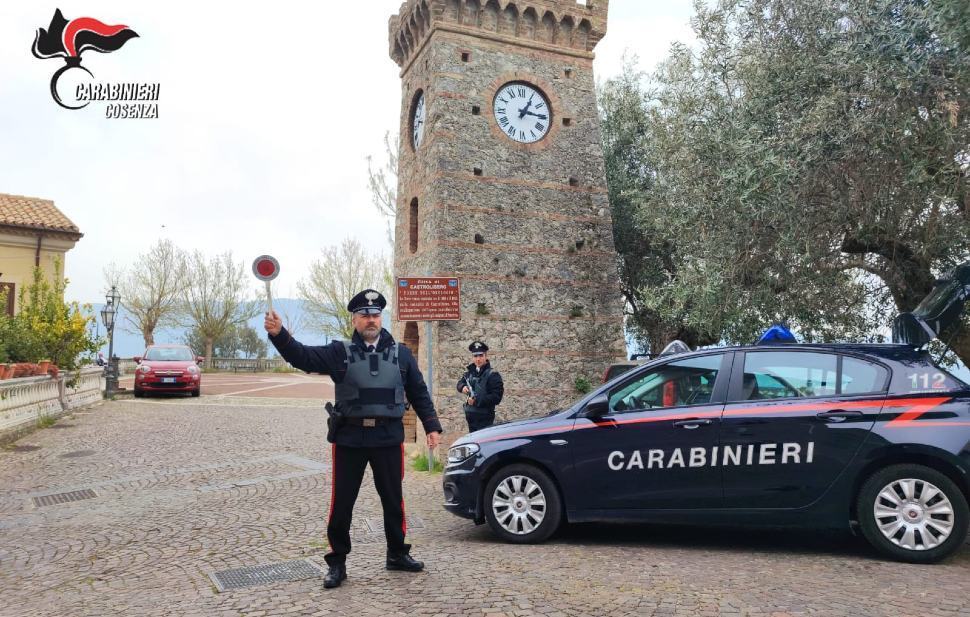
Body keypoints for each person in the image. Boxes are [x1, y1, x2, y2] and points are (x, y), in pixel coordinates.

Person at [263, 288, 442, 589]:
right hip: (350, 439)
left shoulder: (402, 354)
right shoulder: (339, 352)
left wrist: (432, 425)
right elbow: (303, 357)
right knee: (342, 504)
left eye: (375, 314)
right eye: (364, 315)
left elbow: (418, 391)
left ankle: (397, 554)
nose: (371, 319)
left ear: (380, 317)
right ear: (355, 319)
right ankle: (337, 562)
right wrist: (280, 335)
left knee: (393, 501)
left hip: (387, 438)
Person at [457, 341, 504, 432]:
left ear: (486, 356)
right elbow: (459, 383)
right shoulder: (470, 373)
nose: (478, 359)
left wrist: (476, 401)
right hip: (470, 417)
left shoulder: (493, 375)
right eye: (475, 356)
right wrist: (462, 387)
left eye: (481, 356)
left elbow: (496, 397)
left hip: (485, 418)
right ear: (472, 358)